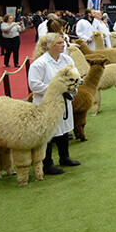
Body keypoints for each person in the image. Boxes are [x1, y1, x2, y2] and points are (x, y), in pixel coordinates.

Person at [29, 33, 80, 175]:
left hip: (63, 101)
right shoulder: (40, 63)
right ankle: (47, 163)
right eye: (59, 43)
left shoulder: (67, 60)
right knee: (48, 133)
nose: (63, 45)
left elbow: (74, 78)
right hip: (47, 103)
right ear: (48, 45)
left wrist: (71, 88)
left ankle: (65, 157)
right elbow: (34, 85)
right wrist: (57, 89)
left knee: (63, 129)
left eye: (63, 42)